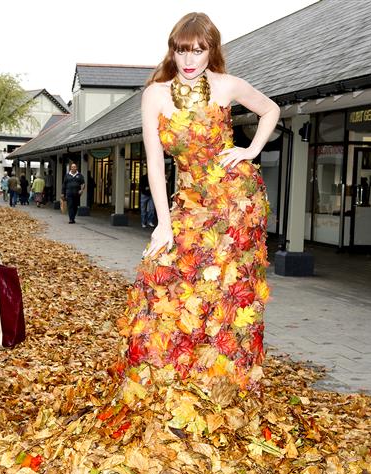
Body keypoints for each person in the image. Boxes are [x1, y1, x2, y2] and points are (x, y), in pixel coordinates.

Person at [117, 12, 279, 430]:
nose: (189, 59)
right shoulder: (155, 93)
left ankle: (225, 388)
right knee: (163, 279)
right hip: (188, 200)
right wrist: (163, 223)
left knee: (229, 293)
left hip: (234, 204)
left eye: (198, 50)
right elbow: (155, 164)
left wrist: (249, 151)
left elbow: (270, 110)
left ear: (211, 50)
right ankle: (173, 384)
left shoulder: (227, 85)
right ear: (173, 51)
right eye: (182, 50)